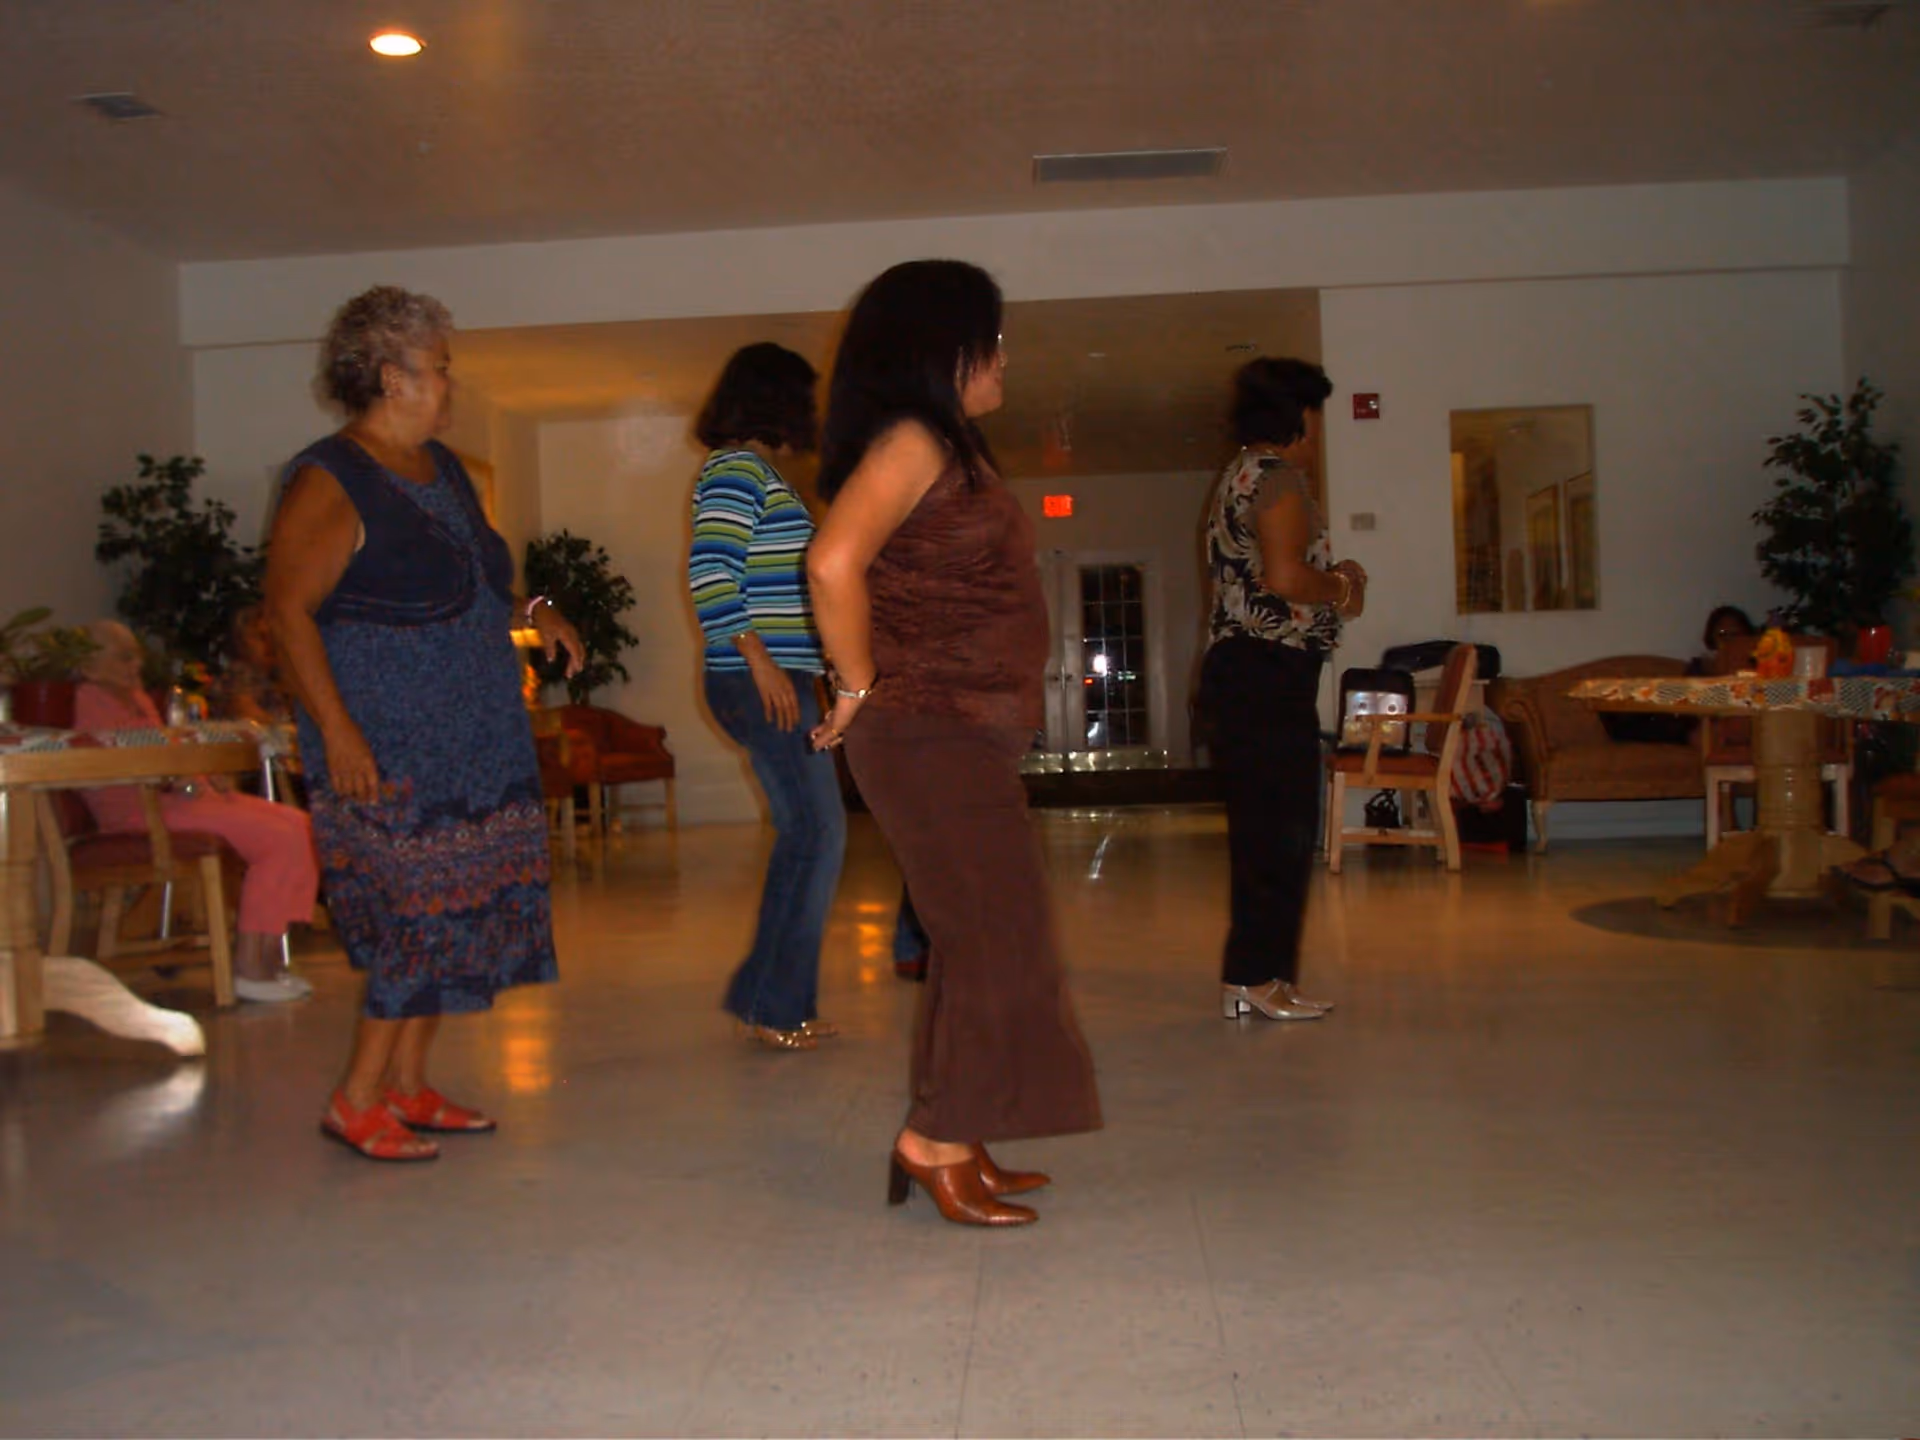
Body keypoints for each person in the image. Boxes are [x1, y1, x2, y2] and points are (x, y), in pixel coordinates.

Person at [807, 259, 1101, 1228]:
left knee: (976, 942)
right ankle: (936, 1143)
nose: (1005, 354)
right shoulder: (914, 437)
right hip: (927, 731)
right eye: (993, 335)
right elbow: (832, 561)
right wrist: (857, 686)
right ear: (945, 347)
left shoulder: (944, 446)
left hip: (957, 735)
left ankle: (954, 1132)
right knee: (998, 940)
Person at [264, 284, 585, 1163]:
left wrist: (539, 608)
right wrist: (338, 734)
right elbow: (288, 612)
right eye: (439, 369)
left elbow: (484, 579)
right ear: (388, 375)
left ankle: (407, 1084)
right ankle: (356, 1096)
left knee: (461, 907)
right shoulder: (332, 475)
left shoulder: (441, 469)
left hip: (475, 733)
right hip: (388, 740)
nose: (450, 385)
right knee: (416, 914)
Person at [688, 342, 846, 1051]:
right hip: (758, 677)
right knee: (816, 834)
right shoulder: (734, 469)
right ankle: (775, 1005)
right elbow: (712, 574)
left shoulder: (760, 473)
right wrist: (763, 663)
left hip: (778, 675)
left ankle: (775, 1000)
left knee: (811, 835)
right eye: (803, 397)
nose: (811, 412)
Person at [1198, 357, 1364, 1023]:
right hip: (1264, 674)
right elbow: (1287, 578)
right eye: (1316, 414)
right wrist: (1345, 588)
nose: (1319, 429)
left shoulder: (1242, 473)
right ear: (1297, 414)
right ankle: (1253, 979)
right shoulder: (1277, 477)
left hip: (1250, 674)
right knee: (1279, 833)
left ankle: (1263, 977)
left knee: (1273, 832)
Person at [74, 620, 320, 1004]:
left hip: (183, 800)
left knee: (302, 826)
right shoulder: (90, 698)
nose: (135, 664)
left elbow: (167, 751)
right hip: (144, 812)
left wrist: (203, 774)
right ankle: (250, 967)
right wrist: (188, 778)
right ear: (90, 665)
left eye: (136, 654)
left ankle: (270, 957)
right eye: (124, 657)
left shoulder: (136, 697)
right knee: (279, 837)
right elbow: (132, 762)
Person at [213, 605, 293, 725]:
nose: (269, 642)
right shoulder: (237, 676)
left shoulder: (282, 674)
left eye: (272, 636)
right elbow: (249, 713)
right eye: (260, 637)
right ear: (242, 643)